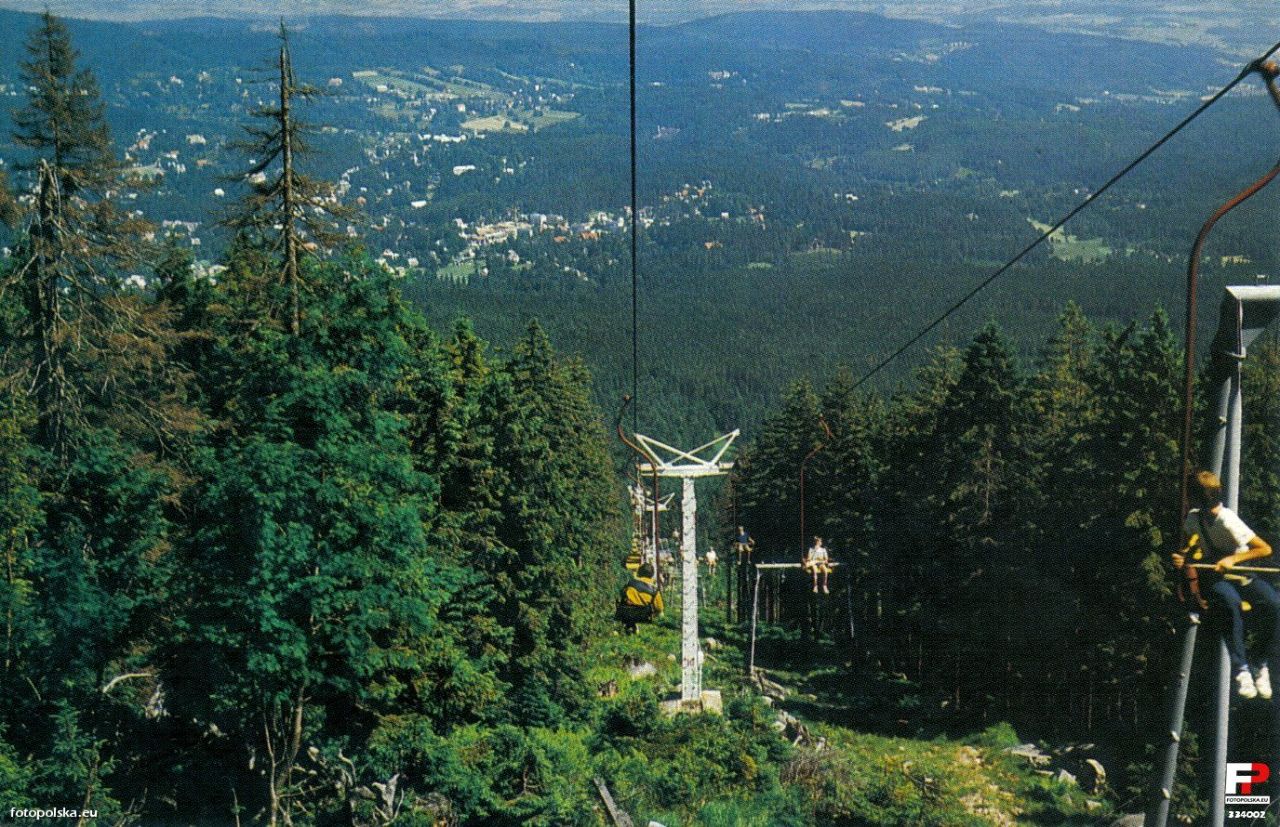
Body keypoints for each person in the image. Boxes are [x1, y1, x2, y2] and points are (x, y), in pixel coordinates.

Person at [1173, 470, 1280, 699]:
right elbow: (1188, 549)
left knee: (1275, 605)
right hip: (1217, 578)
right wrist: (1182, 559)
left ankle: (1260, 662)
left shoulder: (1227, 519)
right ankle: (1241, 670)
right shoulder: (1193, 520)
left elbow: (1264, 548)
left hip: (1242, 574)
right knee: (1230, 602)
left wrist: (1233, 559)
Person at [615, 563, 664, 634]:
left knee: (626, 604)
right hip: (643, 616)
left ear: (639, 572)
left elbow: (621, 593)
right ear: (652, 574)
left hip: (625, 612)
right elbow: (659, 608)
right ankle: (660, 628)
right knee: (659, 611)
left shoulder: (630, 582)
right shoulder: (654, 589)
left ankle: (628, 626)